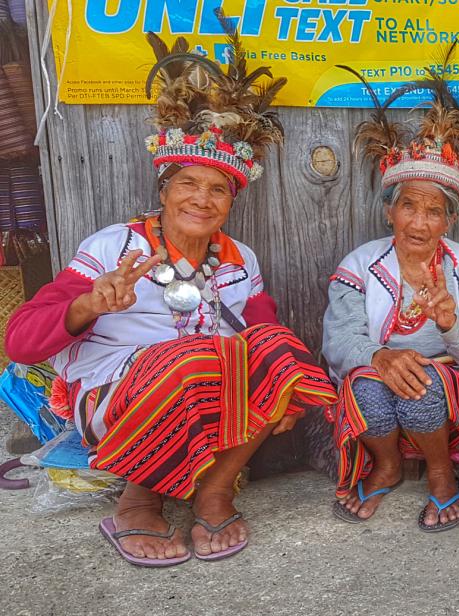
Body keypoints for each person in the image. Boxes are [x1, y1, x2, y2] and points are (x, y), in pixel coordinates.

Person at [3, 32, 337, 566]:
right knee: (192, 359)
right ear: (164, 191)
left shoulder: (239, 259)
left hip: (211, 396)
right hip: (118, 398)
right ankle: (139, 501)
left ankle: (215, 492)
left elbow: (265, 333)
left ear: (231, 200)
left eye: (218, 189)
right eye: (187, 184)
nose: (201, 199)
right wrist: (89, 305)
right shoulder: (115, 247)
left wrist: (286, 389)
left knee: (282, 357)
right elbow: (20, 342)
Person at [323, 73, 459, 532]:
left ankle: (440, 473)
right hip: (382, 375)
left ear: (449, 220)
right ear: (389, 210)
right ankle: (388, 465)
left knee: (423, 382)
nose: (419, 223)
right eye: (409, 206)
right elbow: (338, 341)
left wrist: (452, 325)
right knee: (366, 384)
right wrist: (380, 356)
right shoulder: (360, 263)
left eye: (434, 211)